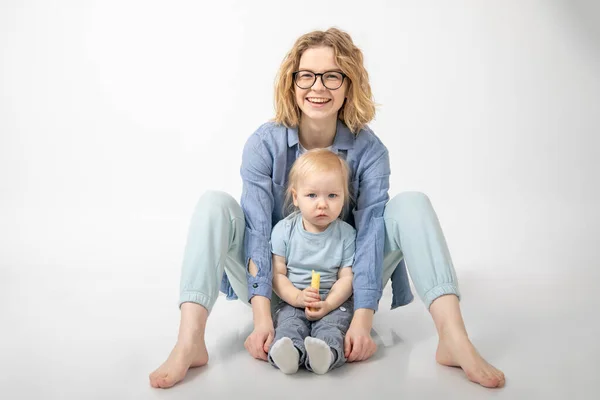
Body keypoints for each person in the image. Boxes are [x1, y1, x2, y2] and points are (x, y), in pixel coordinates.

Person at [149, 27, 505, 389]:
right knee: (214, 204)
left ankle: (453, 339)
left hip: (342, 287)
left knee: (413, 204)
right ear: (292, 83)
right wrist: (261, 318)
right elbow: (257, 232)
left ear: (349, 84)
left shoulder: (370, 152)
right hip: (274, 282)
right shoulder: (263, 144)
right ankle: (190, 341)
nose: (318, 87)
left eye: (332, 76)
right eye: (307, 75)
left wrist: (363, 320)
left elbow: (369, 236)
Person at [269, 148, 356, 375]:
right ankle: (290, 354)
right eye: (312, 195)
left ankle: (325, 354)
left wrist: (328, 304)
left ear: (343, 197)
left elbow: (346, 278)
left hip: (333, 300)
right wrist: (297, 297)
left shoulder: (346, 234)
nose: (322, 204)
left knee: (333, 327)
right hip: (292, 298)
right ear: (296, 197)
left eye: (332, 196)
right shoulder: (284, 231)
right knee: (288, 324)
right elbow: (277, 275)